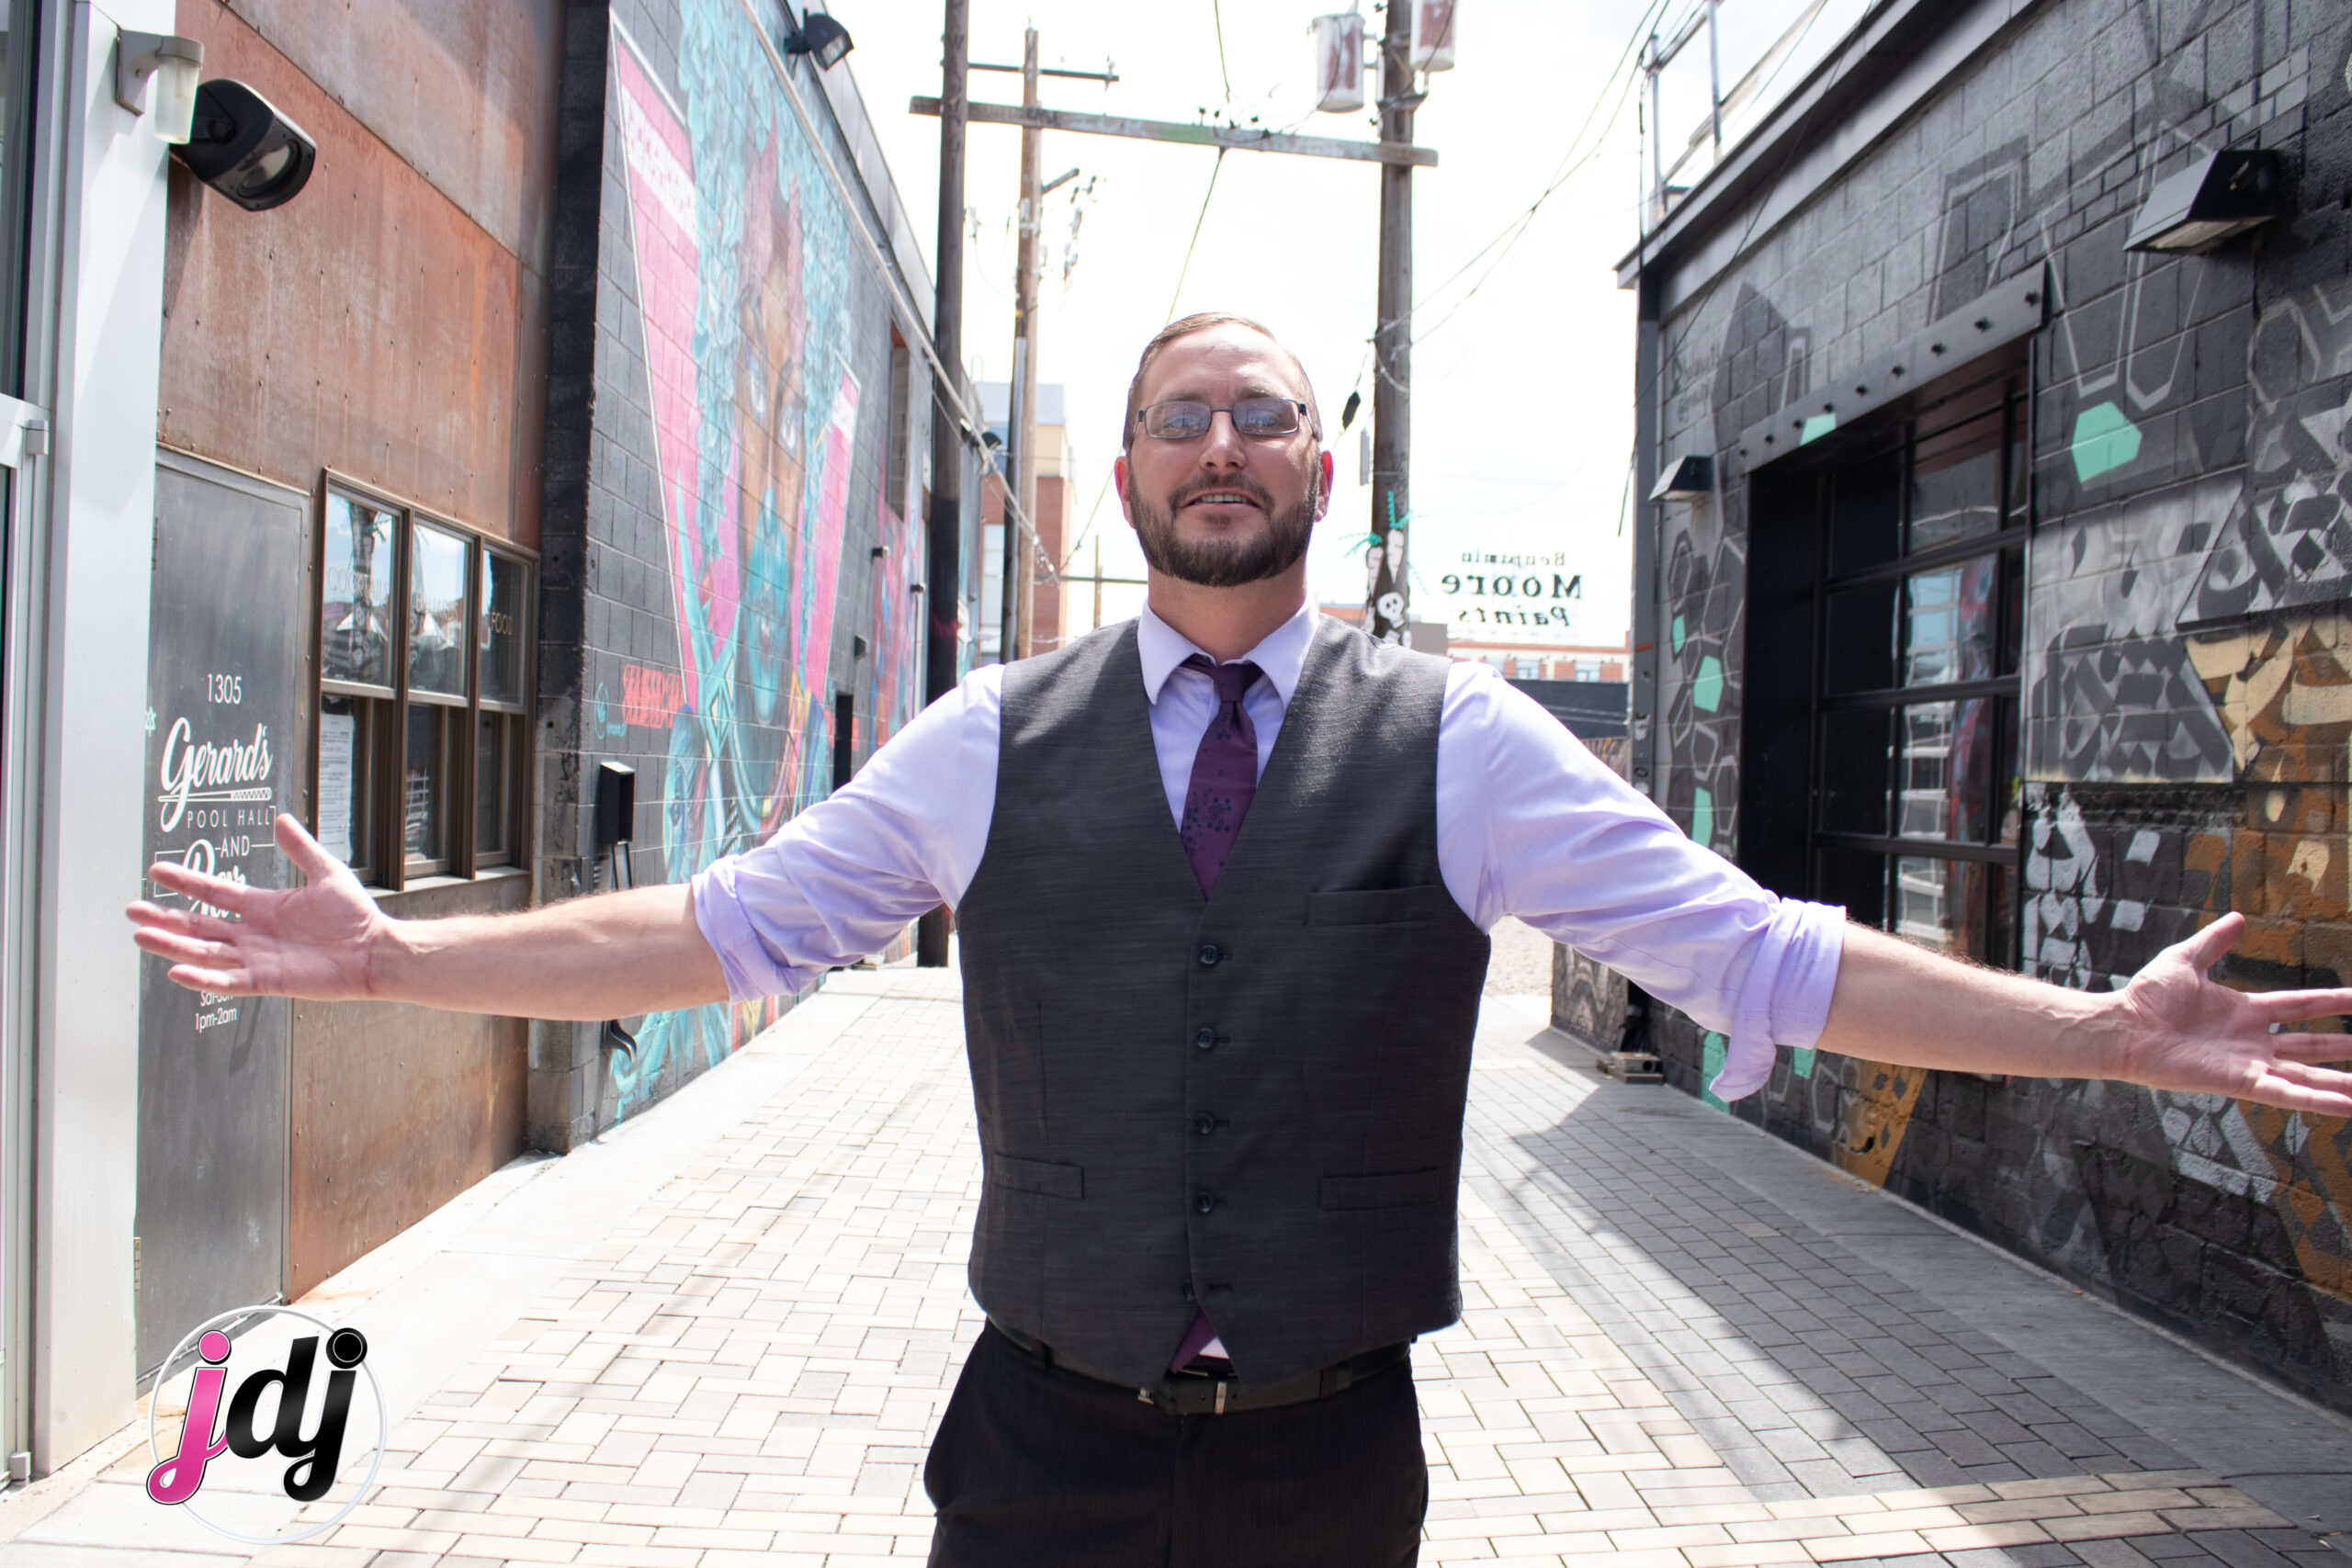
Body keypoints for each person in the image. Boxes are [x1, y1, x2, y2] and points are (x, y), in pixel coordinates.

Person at [130, 313, 2352, 1568]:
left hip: (1324, 1456)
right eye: (1176, 415)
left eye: (1258, 411)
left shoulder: (1461, 745)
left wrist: (2100, 1026)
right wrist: (408, 961)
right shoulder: (987, 737)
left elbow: (1759, 953)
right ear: (1121, 476)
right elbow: (727, 930)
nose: (1218, 444)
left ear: (1321, 462)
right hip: (1036, 1446)